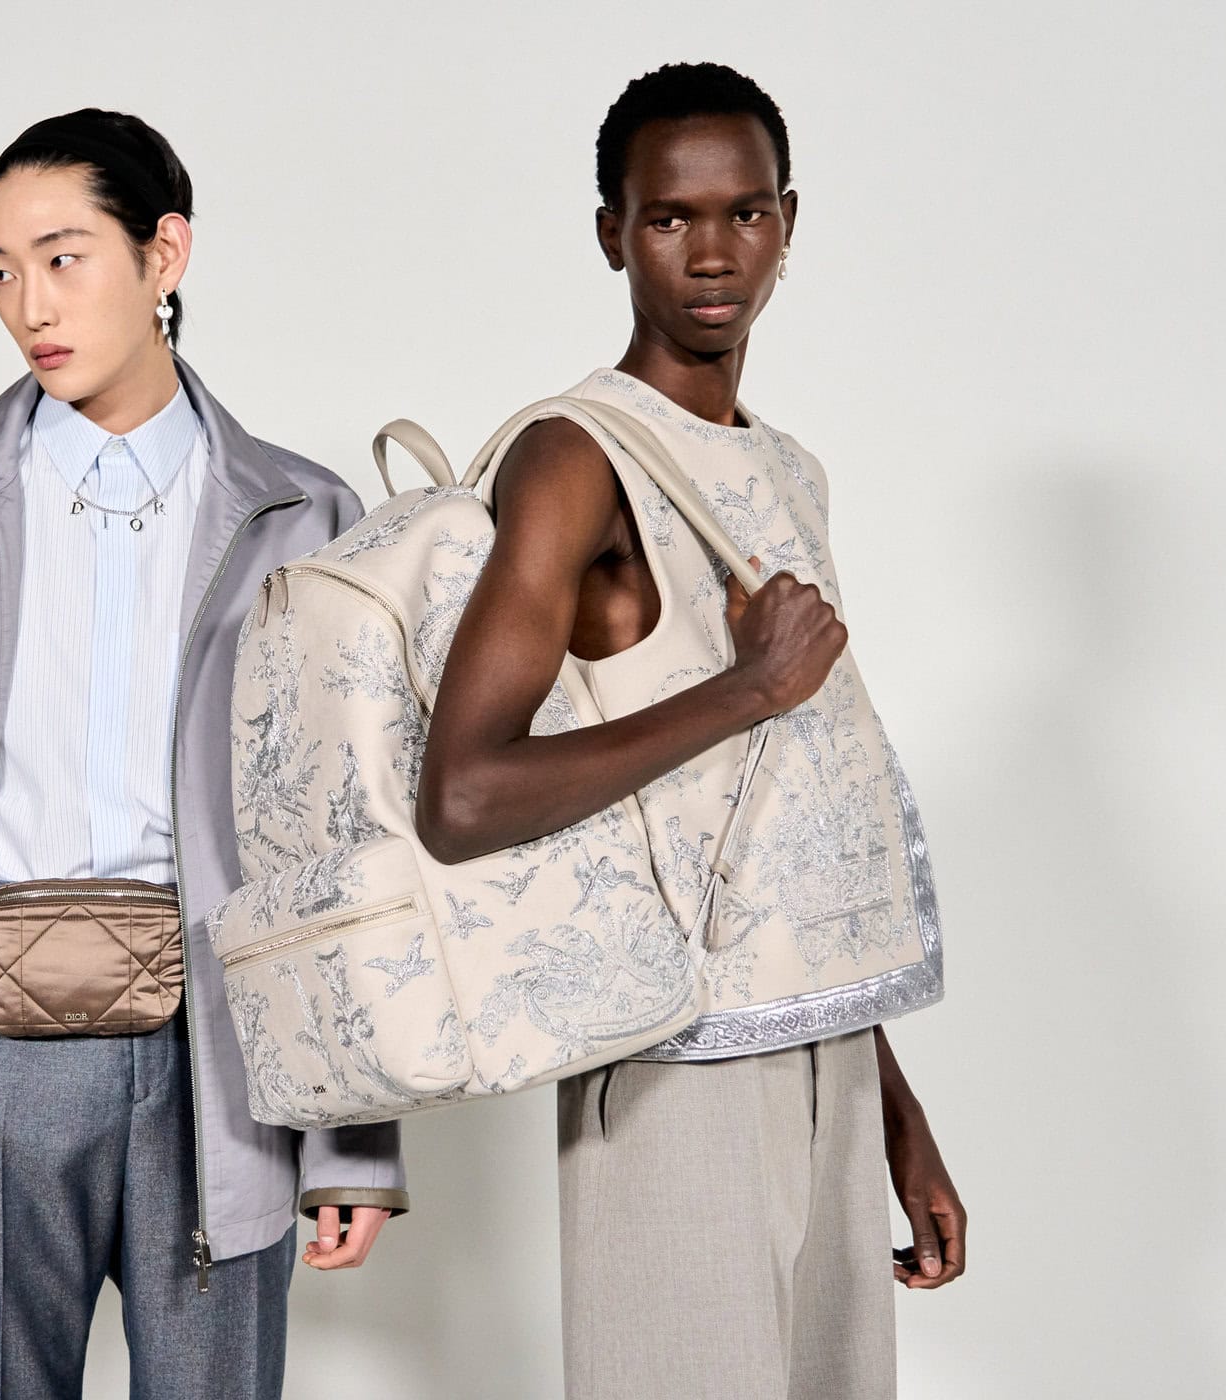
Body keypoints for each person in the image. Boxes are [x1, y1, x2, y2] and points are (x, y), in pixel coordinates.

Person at [0, 108, 407, 1400]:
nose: (30, 305)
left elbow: (350, 834)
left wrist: (352, 1130)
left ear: (164, 253)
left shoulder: (304, 515)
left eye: (63, 258)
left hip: (224, 1050)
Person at [413, 64, 966, 1400]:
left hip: (829, 1056)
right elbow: (463, 795)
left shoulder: (789, 470)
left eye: (744, 212)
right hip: (674, 1063)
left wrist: (896, 1114)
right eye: (670, 217)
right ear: (614, 232)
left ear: (787, 222)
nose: (712, 251)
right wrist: (746, 686)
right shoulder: (575, 455)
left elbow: (781, 825)